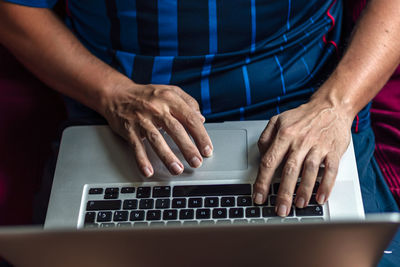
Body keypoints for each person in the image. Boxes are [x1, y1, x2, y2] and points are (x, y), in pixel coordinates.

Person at [0, 0, 399, 264]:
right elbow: (14, 8)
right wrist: (112, 92)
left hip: (305, 111)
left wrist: (336, 105)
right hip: (119, 117)